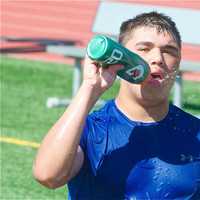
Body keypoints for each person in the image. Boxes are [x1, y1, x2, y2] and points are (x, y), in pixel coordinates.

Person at [33, 12, 200, 199]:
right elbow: (48, 175)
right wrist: (90, 88)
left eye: (169, 51)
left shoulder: (195, 133)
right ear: (121, 58)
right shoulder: (92, 130)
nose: (158, 58)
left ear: (177, 63)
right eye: (144, 49)